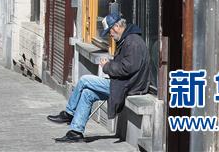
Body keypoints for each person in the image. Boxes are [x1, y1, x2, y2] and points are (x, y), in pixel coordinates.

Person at [47, 12, 151, 143]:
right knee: (87, 93)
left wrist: (107, 66)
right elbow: (126, 66)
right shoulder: (127, 40)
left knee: (84, 80)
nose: (110, 35)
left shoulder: (133, 42)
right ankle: (76, 132)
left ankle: (69, 113)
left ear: (117, 27)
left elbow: (127, 68)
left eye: (110, 32)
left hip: (128, 86)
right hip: (123, 83)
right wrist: (110, 65)